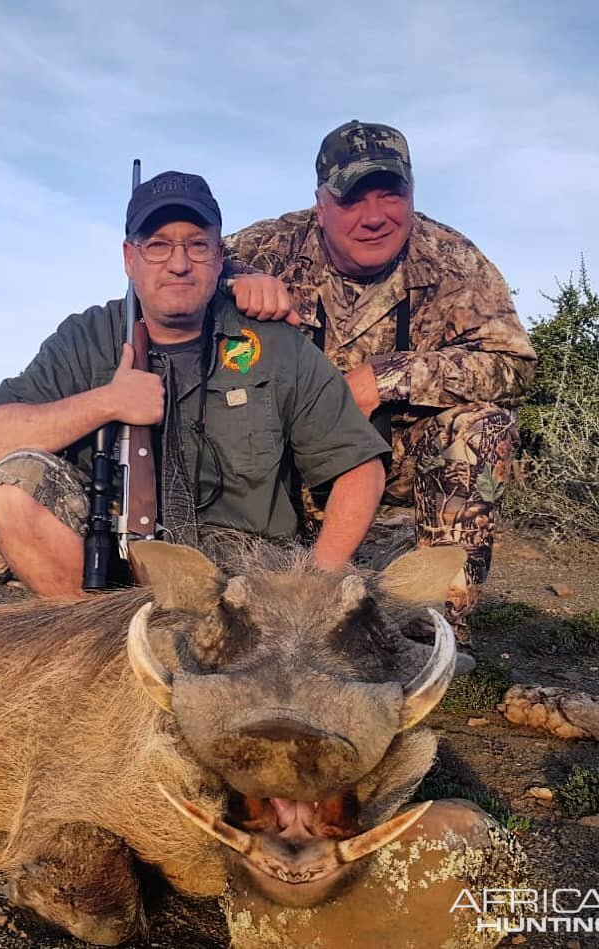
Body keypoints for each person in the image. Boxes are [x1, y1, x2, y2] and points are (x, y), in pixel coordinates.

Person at [0, 170, 390, 598]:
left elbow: (360, 468)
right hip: (111, 579)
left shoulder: (273, 342)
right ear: (130, 258)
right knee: (14, 484)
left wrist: (315, 584)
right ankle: (104, 648)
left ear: (221, 256)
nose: (179, 264)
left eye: (197, 246)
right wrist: (107, 402)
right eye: (159, 246)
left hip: (246, 579)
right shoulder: (86, 337)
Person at [223, 121, 537, 639]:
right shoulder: (268, 247)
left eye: (391, 194)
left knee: (485, 425)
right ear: (321, 204)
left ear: (412, 193)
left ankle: (429, 629)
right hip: (275, 478)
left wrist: (384, 378)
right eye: (351, 198)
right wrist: (235, 280)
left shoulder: (452, 259)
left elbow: (514, 365)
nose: (374, 217)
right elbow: (178, 271)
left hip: (389, 489)